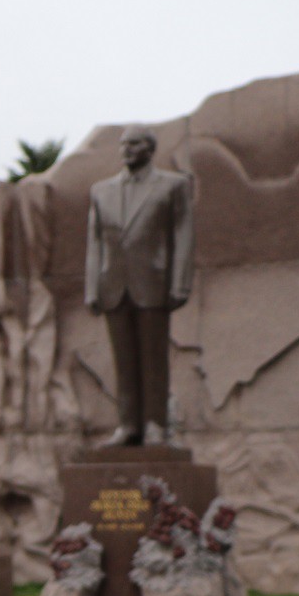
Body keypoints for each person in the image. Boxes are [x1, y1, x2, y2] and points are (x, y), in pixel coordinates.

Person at [85, 123, 195, 447]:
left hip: (154, 283)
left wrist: (181, 283)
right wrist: (92, 287)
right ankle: (128, 425)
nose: (126, 151)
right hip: (113, 285)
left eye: (133, 144)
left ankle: (155, 425)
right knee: (124, 361)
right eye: (123, 145)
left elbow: (183, 234)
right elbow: (95, 242)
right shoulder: (100, 191)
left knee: (154, 360)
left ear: (150, 148)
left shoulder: (173, 186)